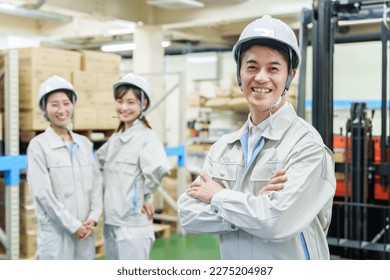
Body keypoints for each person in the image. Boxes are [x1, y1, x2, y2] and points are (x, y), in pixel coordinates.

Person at [177, 15, 336, 260]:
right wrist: (253, 205)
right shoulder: (223, 148)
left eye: (273, 68)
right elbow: (188, 215)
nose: (261, 77)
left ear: (290, 76)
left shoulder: (306, 145)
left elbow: (277, 223)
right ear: (240, 73)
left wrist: (218, 196)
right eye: (252, 66)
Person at [26, 75, 103, 259]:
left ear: (73, 105)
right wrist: (73, 225)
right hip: (56, 236)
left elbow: (97, 184)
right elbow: (44, 195)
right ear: (43, 108)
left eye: (66, 103)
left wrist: (93, 217)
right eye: (54, 104)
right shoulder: (38, 146)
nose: (62, 110)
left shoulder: (84, 144)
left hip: (86, 233)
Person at [96, 73, 171, 260]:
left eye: (131, 102)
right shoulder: (116, 138)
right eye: (120, 101)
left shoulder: (146, 137)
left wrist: (145, 196)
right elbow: (97, 162)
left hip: (132, 224)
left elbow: (159, 168)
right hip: (112, 221)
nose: (124, 108)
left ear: (143, 104)